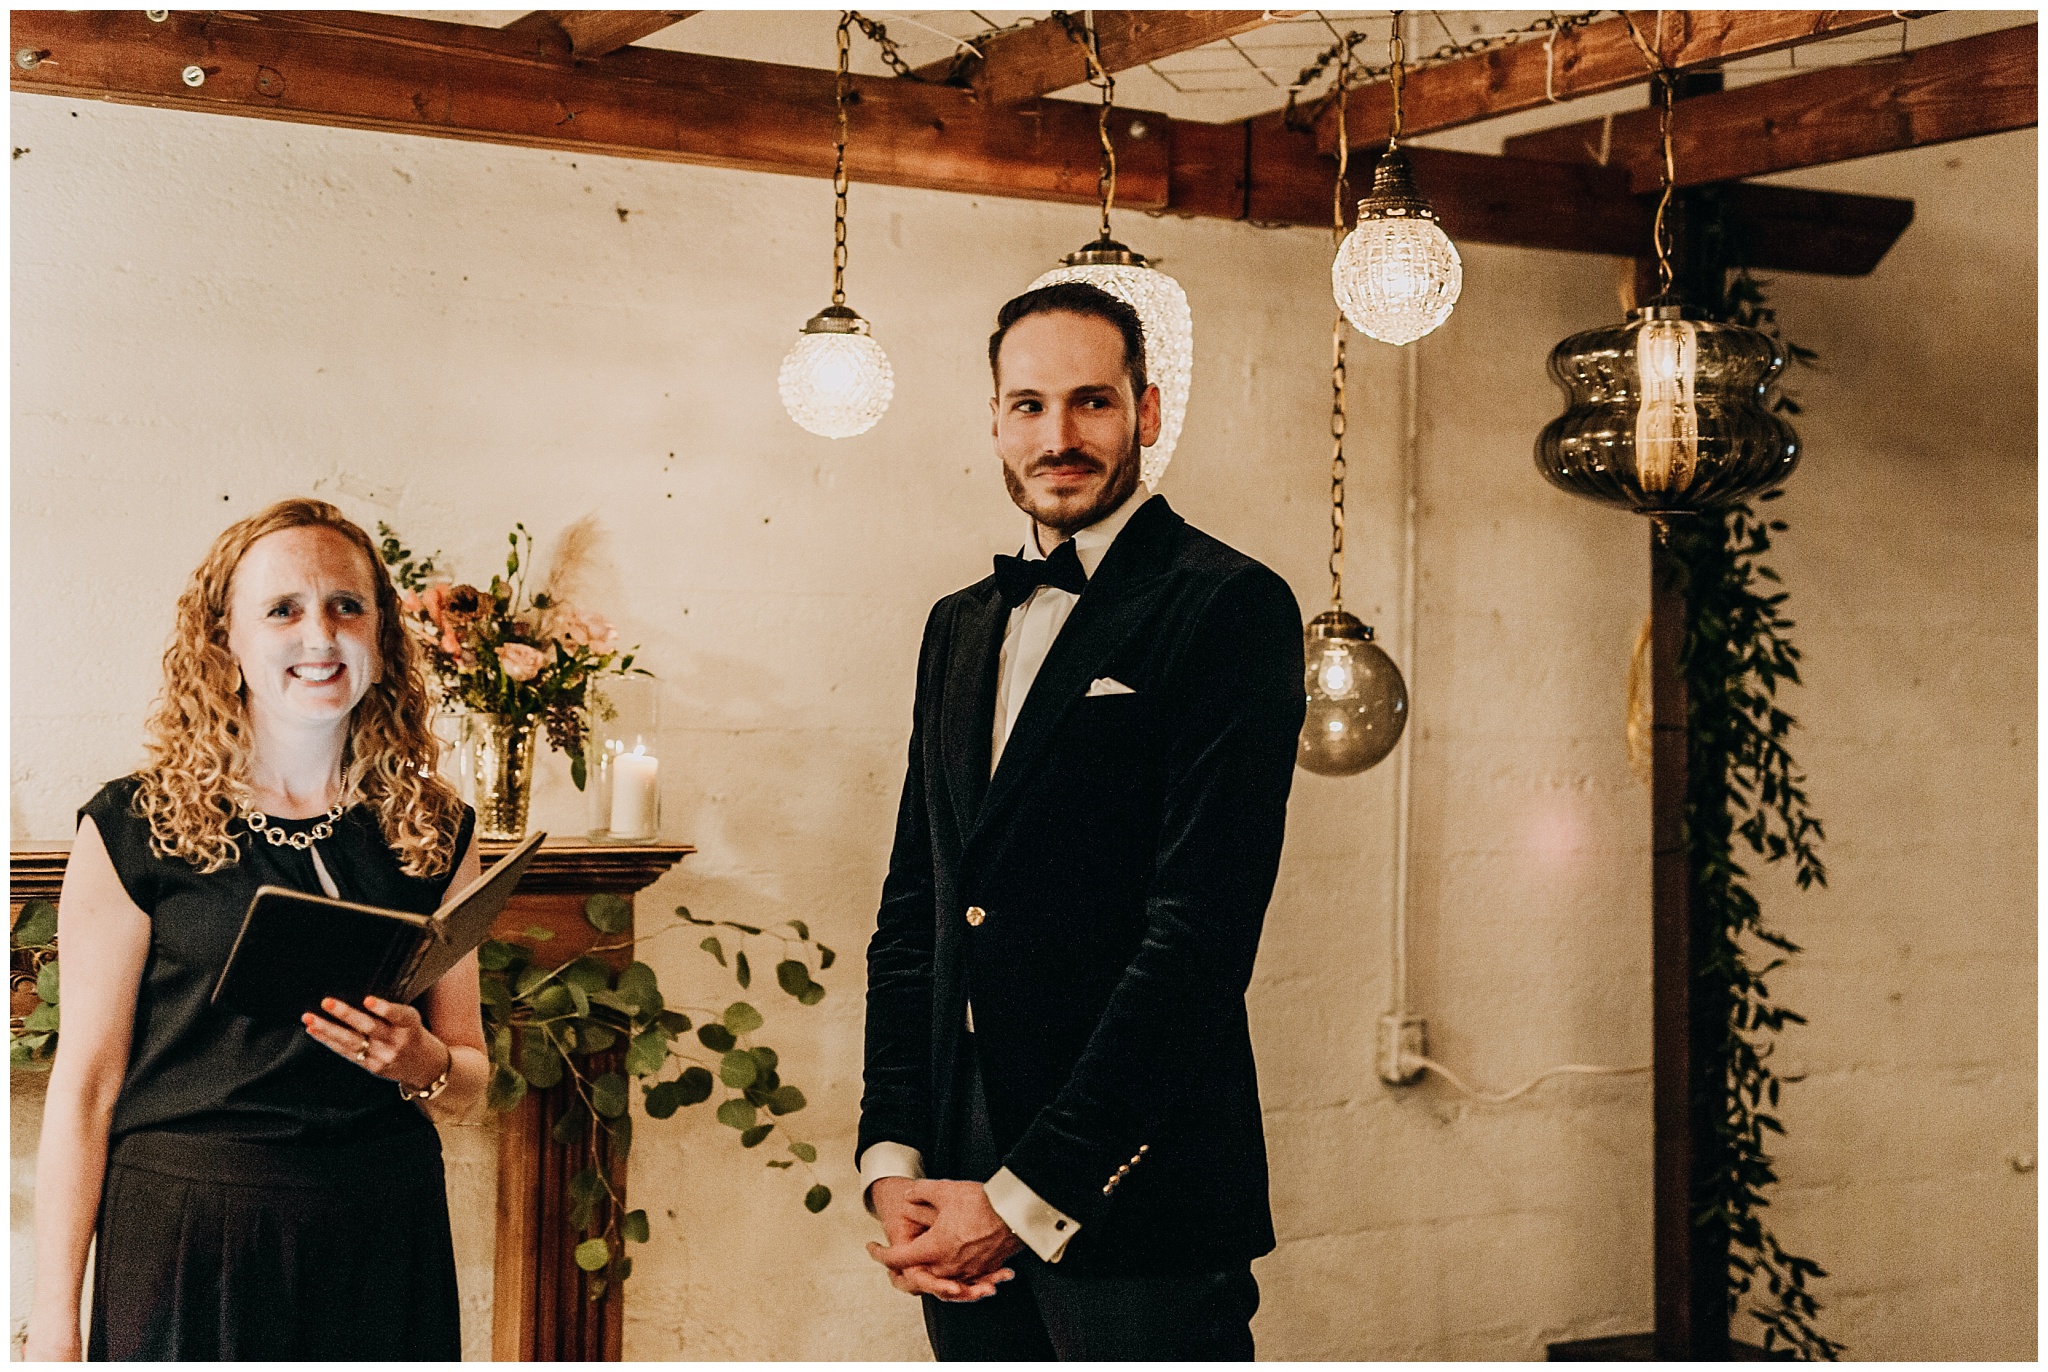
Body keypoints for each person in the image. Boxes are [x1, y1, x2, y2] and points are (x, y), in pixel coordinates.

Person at [858, 282, 1307, 1360]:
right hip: (952, 1168)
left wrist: (1028, 1192)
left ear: (1146, 412)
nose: (1056, 437)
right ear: (994, 421)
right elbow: (916, 903)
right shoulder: (955, 627)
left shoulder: (1229, 605)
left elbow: (1196, 937)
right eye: (1026, 405)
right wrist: (892, 1154)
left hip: (1132, 1180)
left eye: (1090, 403)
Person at [24, 498, 488, 1361]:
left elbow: (471, 1079)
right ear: (224, 644)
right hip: (188, 1233)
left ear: (381, 635)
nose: (321, 633)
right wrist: (53, 1320)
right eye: (283, 609)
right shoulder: (135, 824)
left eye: (348, 605)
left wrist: (422, 1064)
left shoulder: (435, 828)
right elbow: (86, 1088)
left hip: (383, 1230)